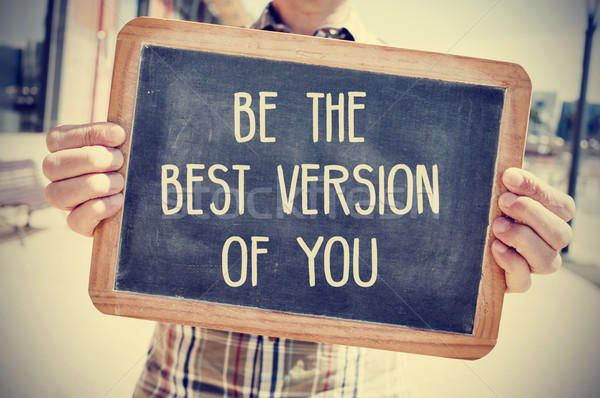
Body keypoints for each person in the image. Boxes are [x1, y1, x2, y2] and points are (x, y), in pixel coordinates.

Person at [42, 0, 576, 396]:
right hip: (178, 384)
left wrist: (510, 244)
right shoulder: (178, 68)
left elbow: (457, 244)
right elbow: (131, 207)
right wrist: (96, 190)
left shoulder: (432, 100)